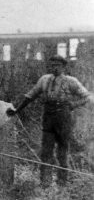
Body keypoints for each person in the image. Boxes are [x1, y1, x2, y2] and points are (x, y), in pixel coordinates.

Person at [7, 55, 93, 187]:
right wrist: (17, 110)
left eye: (57, 65)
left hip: (63, 118)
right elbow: (30, 96)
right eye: (52, 65)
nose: (54, 68)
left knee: (62, 152)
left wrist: (73, 105)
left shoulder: (71, 81)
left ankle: (62, 185)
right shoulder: (44, 79)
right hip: (48, 118)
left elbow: (88, 96)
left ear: (64, 67)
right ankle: (45, 184)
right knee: (46, 151)